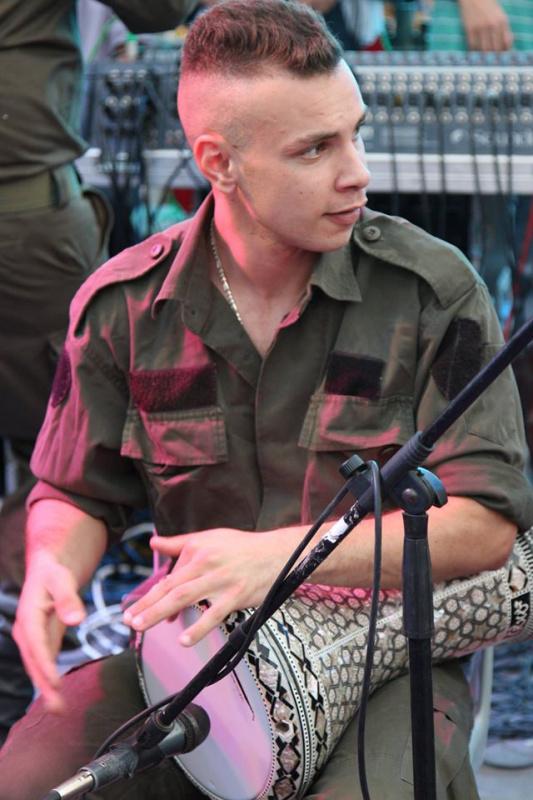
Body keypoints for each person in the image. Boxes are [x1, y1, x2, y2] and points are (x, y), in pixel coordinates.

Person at [0, 1, 532, 797]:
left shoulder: (430, 290)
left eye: (355, 134)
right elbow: (75, 489)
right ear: (218, 163)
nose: (357, 172)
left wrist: (275, 558)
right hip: (199, 663)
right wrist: (51, 565)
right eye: (315, 148)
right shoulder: (125, 305)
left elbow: (487, 524)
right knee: (31, 778)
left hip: (381, 663)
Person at [0, 0, 197, 746]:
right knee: (71, 451)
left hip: (25, 219)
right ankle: (36, 668)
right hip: (23, 225)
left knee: (63, 455)